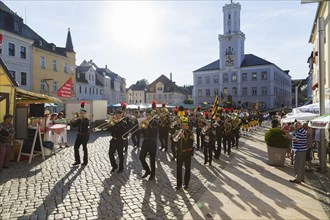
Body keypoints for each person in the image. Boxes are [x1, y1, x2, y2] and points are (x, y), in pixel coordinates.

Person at [175, 117, 194, 190]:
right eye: (182, 125)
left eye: (185, 125)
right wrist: (174, 135)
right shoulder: (179, 131)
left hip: (187, 153)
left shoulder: (191, 133)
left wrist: (184, 137)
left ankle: (186, 183)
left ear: (188, 126)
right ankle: (178, 185)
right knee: (178, 169)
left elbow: (190, 144)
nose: (183, 126)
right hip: (179, 153)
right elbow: (175, 141)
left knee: (187, 169)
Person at [139, 108, 159, 181]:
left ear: (151, 115)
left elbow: (154, 132)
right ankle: (147, 170)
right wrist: (141, 127)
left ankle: (153, 174)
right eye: (146, 115)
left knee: (152, 159)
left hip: (152, 142)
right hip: (145, 142)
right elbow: (143, 134)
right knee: (141, 157)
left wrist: (148, 125)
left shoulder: (155, 122)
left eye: (148, 115)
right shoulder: (145, 122)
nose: (147, 116)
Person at [108, 109, 129, 173]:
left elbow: (123, 132)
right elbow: (109, 130)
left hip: (120, 141)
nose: (117, 116)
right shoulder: (114, 122)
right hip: (113, 140)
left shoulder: (123, 123)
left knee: (120, 155)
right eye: (116, 114)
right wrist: (111, 123)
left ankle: (121, 168)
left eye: (118, 115)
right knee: (110, 153)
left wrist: (115, 124)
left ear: (121, 115)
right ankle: (114, 166)